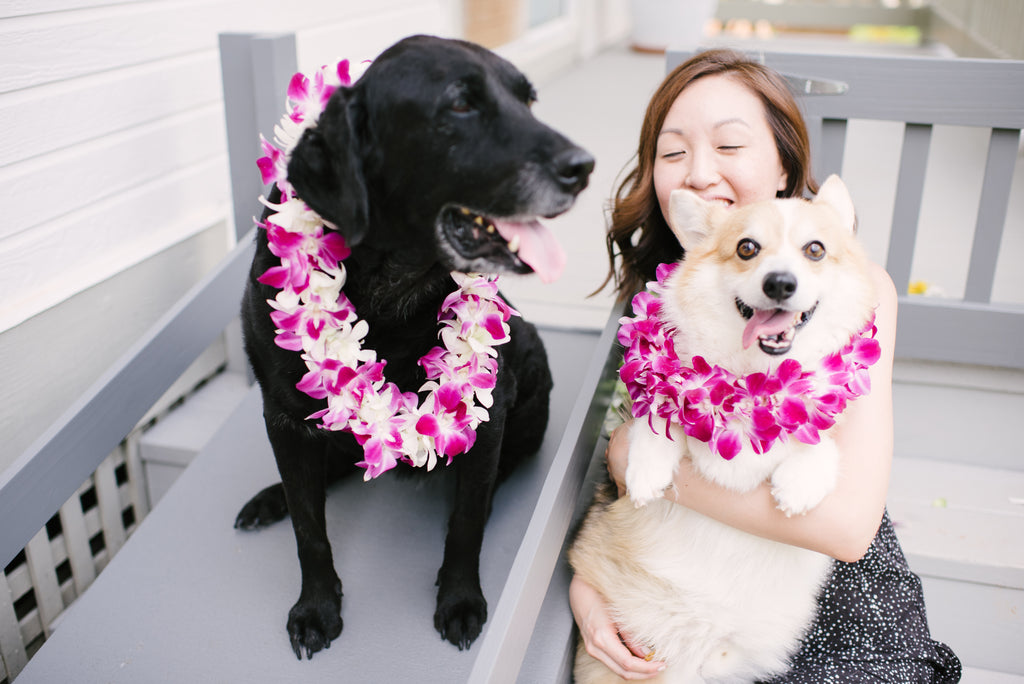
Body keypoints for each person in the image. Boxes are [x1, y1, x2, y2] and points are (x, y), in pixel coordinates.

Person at [571, 48, 962, 682]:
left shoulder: (850, 288)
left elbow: (847, 529)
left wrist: (649, 467)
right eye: (673, 154)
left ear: (782, 162)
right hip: (678, 588)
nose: (698, 173)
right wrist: (590, 598)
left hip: (836, 590)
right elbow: (617, 502)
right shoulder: (662, 299)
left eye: (729, 147)